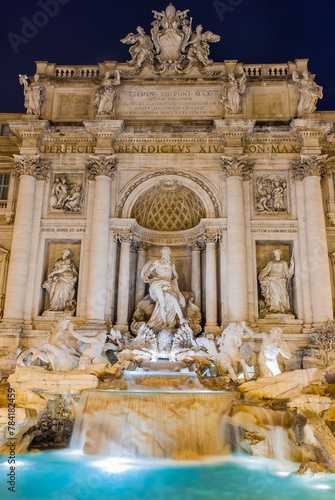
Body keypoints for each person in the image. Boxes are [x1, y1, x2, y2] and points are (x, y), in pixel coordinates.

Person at [141, 247, 187, 331]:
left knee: (174, 299)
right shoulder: (157, 262)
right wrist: (145, 276)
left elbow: (176, 275)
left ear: (169, 254)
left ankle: (181, 319)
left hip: (168, 284)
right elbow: (149, 269)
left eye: (167, 253)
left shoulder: (171, 265)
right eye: (164, 252)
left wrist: (175, 280)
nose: (165, 254)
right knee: (162, 302)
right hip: (158, 283)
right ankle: (165, 322)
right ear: (162, 254)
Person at [258, 249, 294, 315]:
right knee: (274, 294)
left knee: (283, 294)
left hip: (281, 281)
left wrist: (292, 265)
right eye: (275, 253)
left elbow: (288, 274)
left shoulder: (284, 263)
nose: (276, 254)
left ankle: (282, 309)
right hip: (272, 280)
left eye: (277, 253)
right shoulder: (271, 263)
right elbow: (266, 271)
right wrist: (262, 277)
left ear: (280, 254)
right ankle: (275, 309)